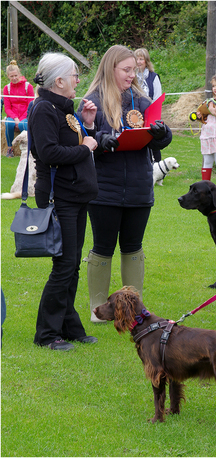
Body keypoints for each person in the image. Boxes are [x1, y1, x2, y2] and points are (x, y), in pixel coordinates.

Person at [78, 45, 172, 323]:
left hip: (139, 187)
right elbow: (82, 138)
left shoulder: (142, 100)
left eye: (134, 69)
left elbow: (160, 139)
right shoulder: (90, 101)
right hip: (104, 188)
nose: (133, 74)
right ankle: (98, 309)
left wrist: (161, 133)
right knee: (103, 246)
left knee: (133, 246)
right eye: (126, 70)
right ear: (111, 69)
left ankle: (133, 308)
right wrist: (100, 141)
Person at [29, 52, 99, 351]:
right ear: (58, 81)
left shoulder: (62, 108)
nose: (78, 80)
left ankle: (69, 326)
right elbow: (49, 153)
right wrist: (86, 146)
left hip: (75, 194)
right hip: (61, 197)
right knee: (64, 265)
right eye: (73, 75)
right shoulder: (44, 109)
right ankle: (46, 334)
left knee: (71, 266)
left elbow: (72, 143)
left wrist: (88, 126)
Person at [135, 47, 162, 162]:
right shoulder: (131, 77)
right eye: (136, 59)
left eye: (141, 59)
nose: (138, 62)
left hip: (150, 114)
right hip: (135, 114)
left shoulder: (153, 77)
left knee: (152, 142)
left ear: (146, 61)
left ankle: (157, 167)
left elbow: (157, 98)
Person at [3, 60, 34, 157]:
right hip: (12, 115)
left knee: (23, 125)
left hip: (25, 115)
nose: (14, 78)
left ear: (19, 74)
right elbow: (7, 108)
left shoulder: (28, 86)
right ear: (8, 76)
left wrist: (21, 119)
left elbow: (31, 105)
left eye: (16, 75)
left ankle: (29, 148)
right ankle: (10, 149)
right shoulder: (6, 88)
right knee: (8, 124)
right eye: (11, 76)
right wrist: (15, 118)